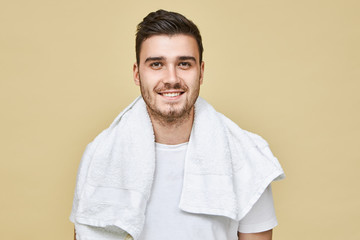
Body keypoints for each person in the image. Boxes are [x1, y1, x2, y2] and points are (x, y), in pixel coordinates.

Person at [70, 9, 285, 240]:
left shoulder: (246, 157)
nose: (171, 78)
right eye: (156, 64)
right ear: (137, 74)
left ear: (201, 72)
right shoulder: (101, 155)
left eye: (184, 64)